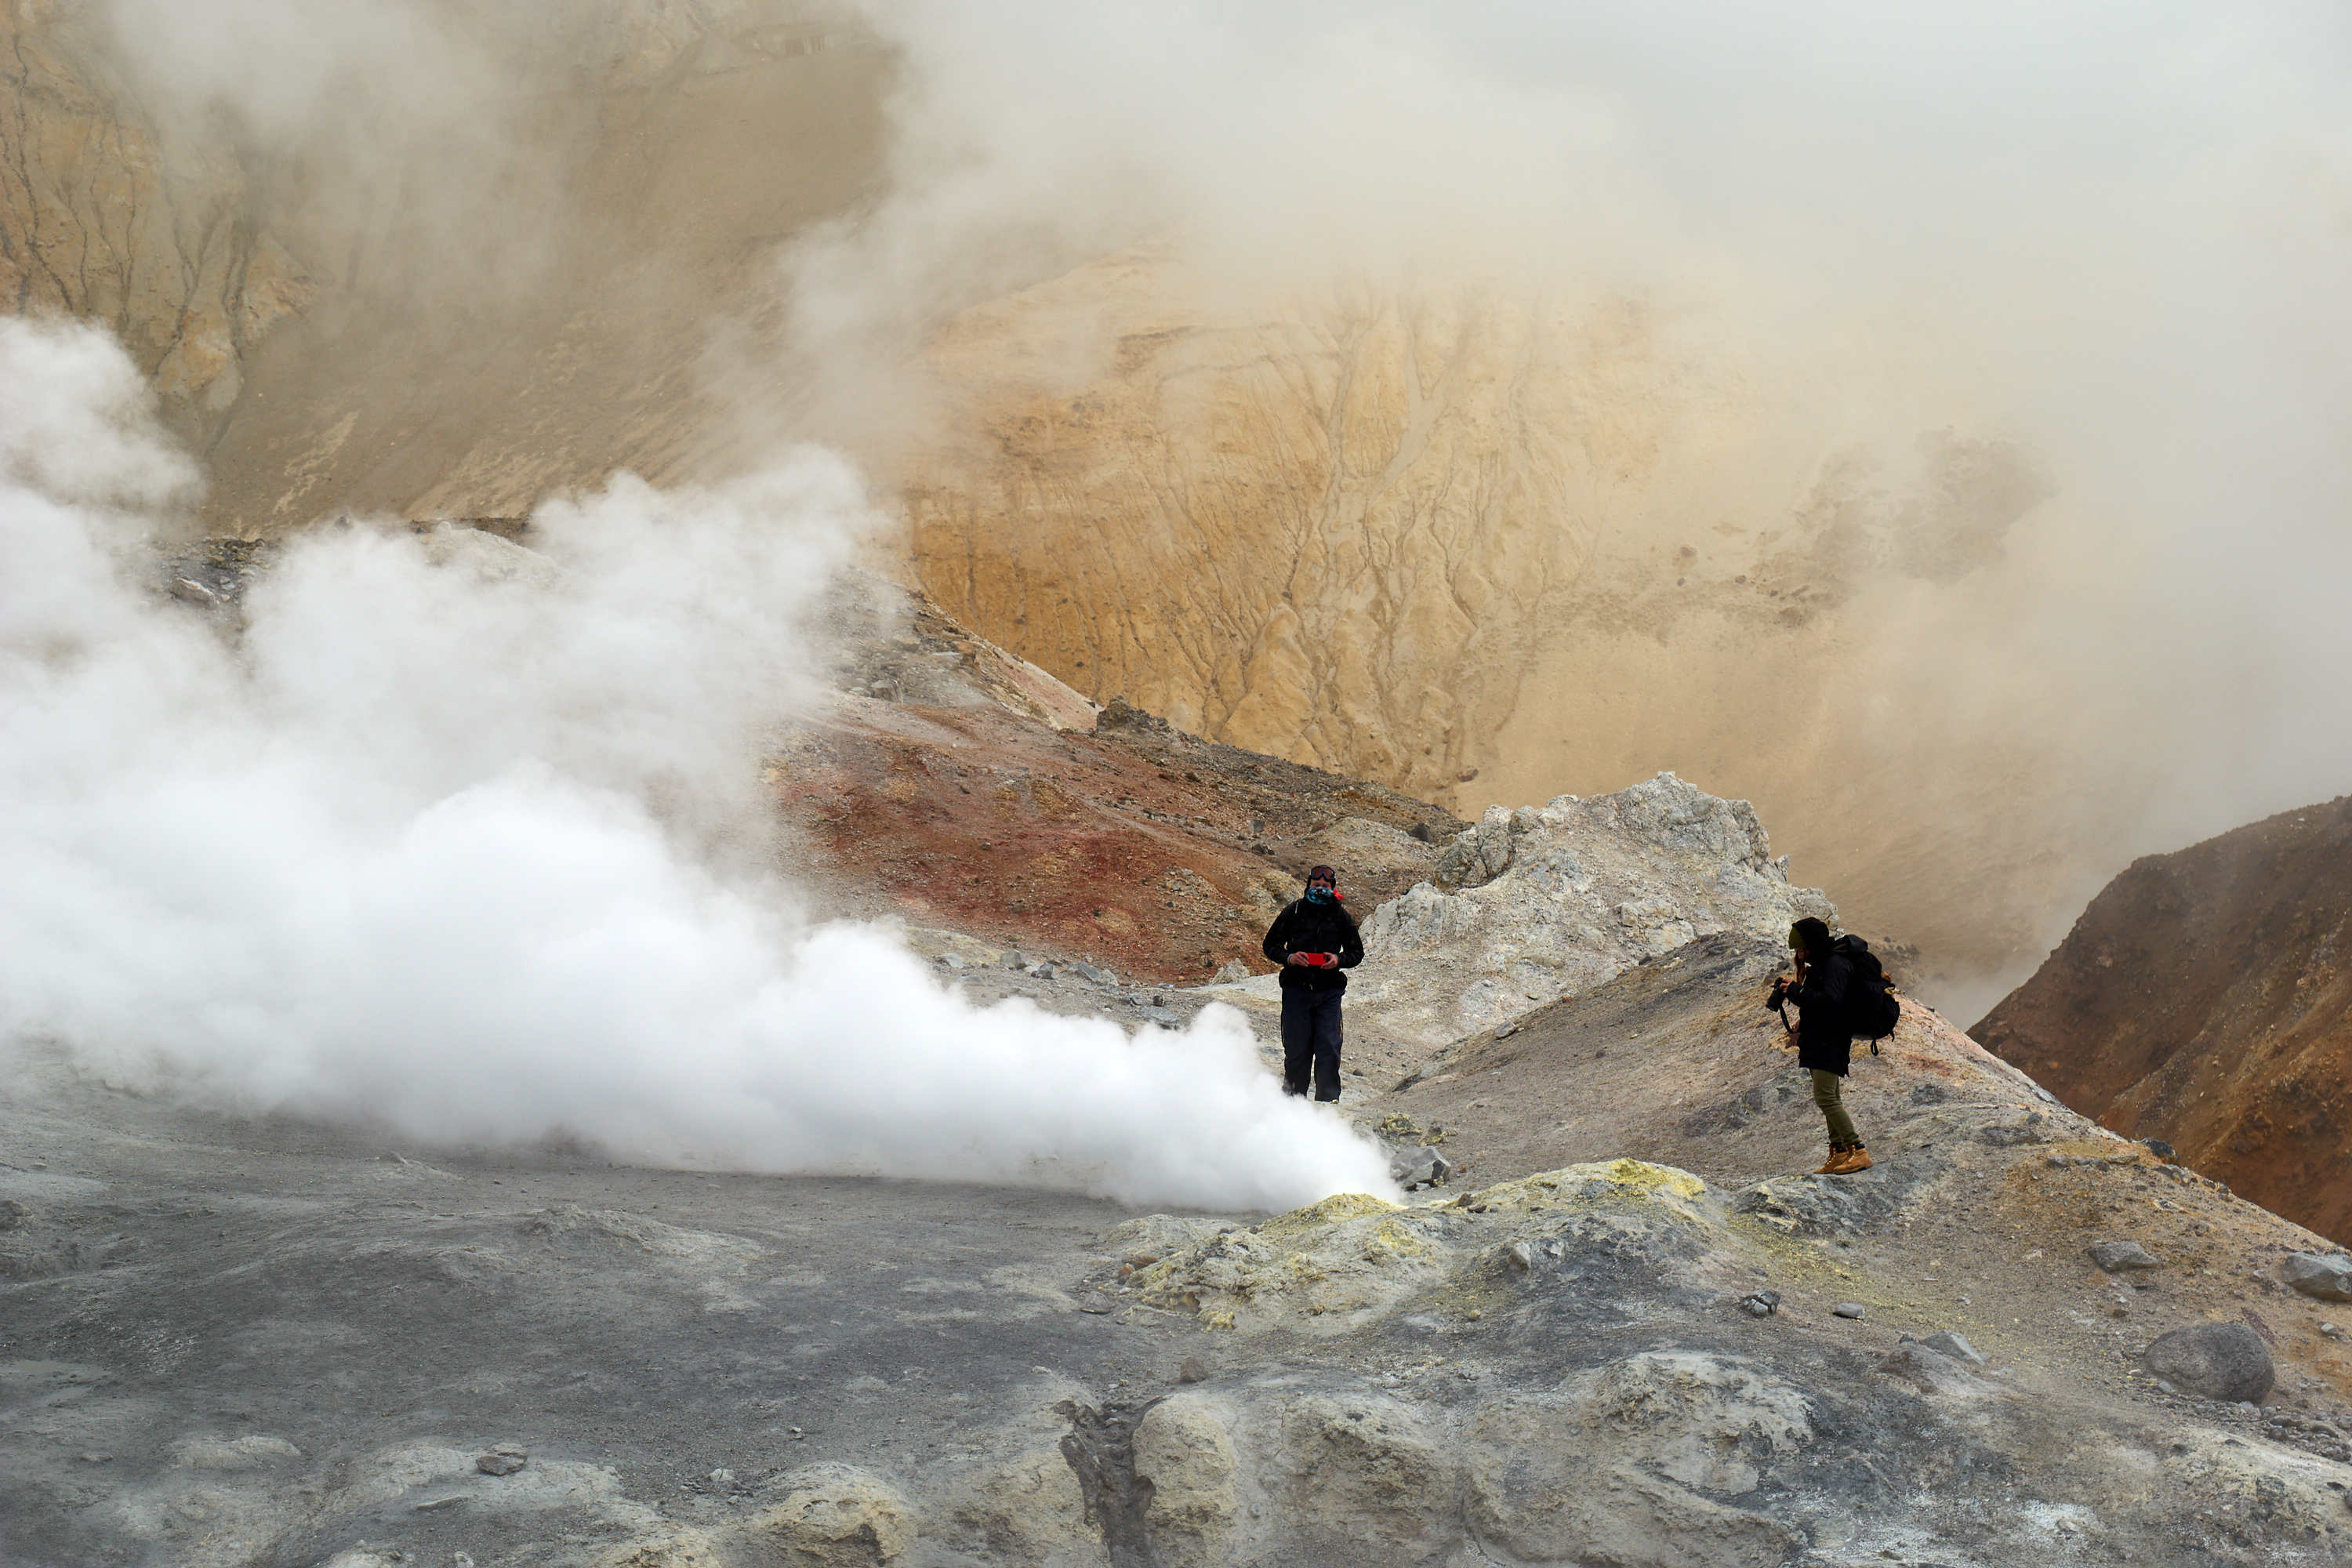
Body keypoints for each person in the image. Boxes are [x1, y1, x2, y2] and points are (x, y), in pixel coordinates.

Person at [1770, 916, 1872, 1174]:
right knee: (1830, 1096)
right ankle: (1838, 1153)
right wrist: (1796, 998)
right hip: (1818, 1039)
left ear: (1811, 945)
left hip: (1831, 1039)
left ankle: (1859, 1151)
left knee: (1826, 1097)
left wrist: (1798, 991)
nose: (1798, 955)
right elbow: (1818, 1001)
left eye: (1800, 949)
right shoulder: (1822, 964)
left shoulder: (1836, 964)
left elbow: (1831, 1000)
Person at [1261, 864, 1363, 1102]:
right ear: (1308, 885)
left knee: (1329, 1048)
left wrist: (1337, 959)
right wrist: (1289, 958)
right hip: (1296, 991)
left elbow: (1356, 952)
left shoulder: (1340, 916)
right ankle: (1293, 1105)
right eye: (1316, 885)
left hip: (1329, 993)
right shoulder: (1294, 911)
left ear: (1333, 888)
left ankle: (1328, 1106)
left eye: (1325, 886)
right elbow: (1270, 945)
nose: (1320, 890)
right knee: (1297, 1051)